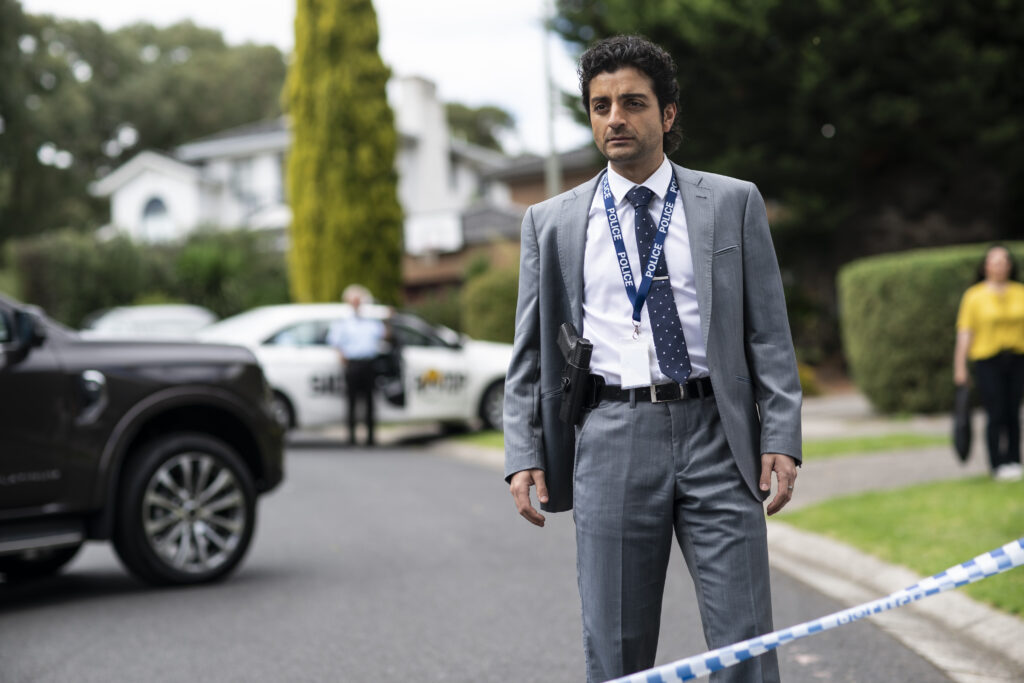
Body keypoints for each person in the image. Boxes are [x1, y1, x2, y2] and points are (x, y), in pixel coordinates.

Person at [503, 35, 802, 683]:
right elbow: (529, 354)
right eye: (600, 104)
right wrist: (522, 449)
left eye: (633, 102)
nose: (615, 117)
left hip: (717, 434)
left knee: (745, 638)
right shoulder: (550, 222)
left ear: (666, 115)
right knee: (616, 645)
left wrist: (780, 433)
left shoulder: (732, 202)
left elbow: (769, 333)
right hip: (612, 436)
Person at [954, 245, 1024, 481]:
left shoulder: (1020, 291)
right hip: (988, 361)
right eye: (994, 261)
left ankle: (1014, 460)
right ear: (985, 266)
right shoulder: (974, 296)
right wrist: (960, 366)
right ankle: (997, 464)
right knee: (995, 413)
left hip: (1016, 358)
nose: (1000, 265)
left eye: (1004, 261)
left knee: (1014, 412)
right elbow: (965, 332)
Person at [326, 284, 387, 446]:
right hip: (353, 364)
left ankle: (370, 437)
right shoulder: (343, 321)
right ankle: (351, 437)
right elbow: (335, 342)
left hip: (369, 363)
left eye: (359, 300)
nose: (356, 303)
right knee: (351, 402)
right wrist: (343, 359)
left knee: (369, 402)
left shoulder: (371, 320)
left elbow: (383, 336)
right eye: (353, 300)